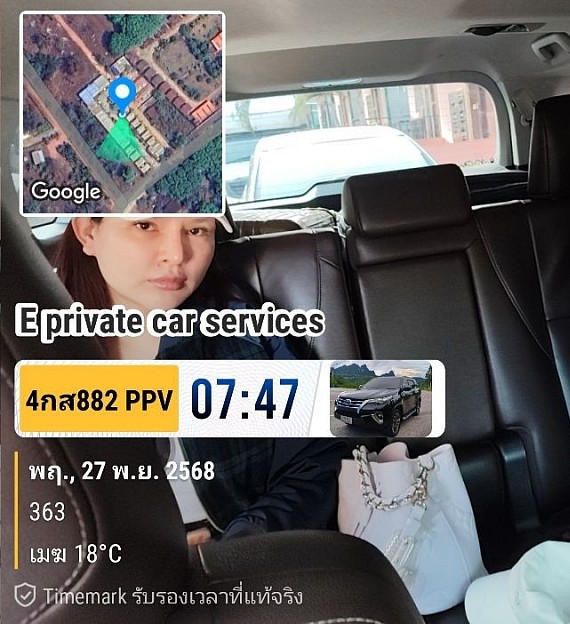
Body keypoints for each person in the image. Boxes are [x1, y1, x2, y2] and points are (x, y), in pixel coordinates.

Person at [55, 215, 349, 543]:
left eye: (196, 230)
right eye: (145, 225)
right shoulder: (33, 350)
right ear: (88, 231)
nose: (176, 254)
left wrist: (245, 541)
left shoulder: (242, 324)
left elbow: (316, 455)